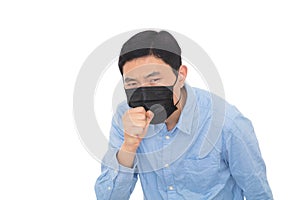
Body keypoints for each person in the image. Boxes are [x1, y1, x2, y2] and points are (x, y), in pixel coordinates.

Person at [94, 30, 273, 200]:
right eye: (132, 83)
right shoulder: (125, 118)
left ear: (181, 75)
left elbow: (258, 193)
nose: (144, 91)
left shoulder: (227, 123)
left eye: (154, 80)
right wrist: (129, 145)